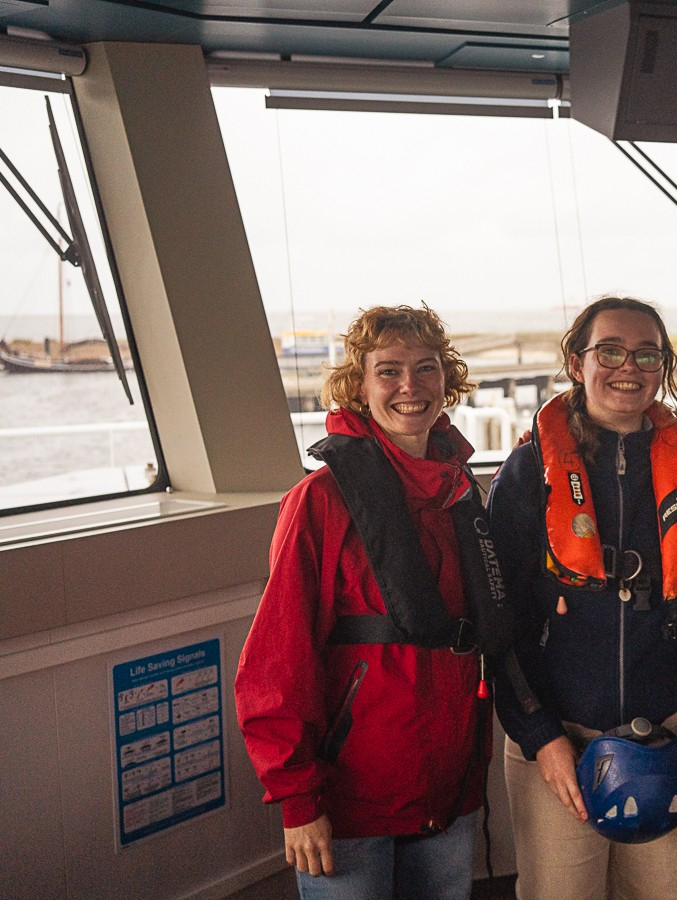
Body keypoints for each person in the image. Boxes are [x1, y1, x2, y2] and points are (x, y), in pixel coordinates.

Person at [488, 296, 677, 900]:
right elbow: (499, 624)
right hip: (558, 747)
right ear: (577, 361)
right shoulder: (528, 476)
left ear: (664, 367)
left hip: (672, 742)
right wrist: (540, 739)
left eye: (646, 354)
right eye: (609, 350)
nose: (627, 366)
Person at [235, 304, 497, 900]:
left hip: (447, 796)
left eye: (427, 368)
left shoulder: (460, 493)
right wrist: (298, 801)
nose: (411, 386)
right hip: (349, 806)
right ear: (359, 386)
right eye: (389, 370)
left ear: (447, 381)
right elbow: (275, 661)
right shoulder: (320, 502)